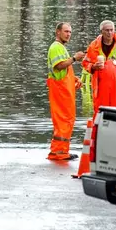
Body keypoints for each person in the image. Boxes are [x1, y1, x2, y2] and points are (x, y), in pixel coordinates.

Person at [47, 23, 85, 161]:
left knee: (67, 120)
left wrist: (74, 78)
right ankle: (58, 152)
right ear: (58, 32)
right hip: (60, 93)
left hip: (64, 92)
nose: (68, 34)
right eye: (66, 31)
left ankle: (62, 151)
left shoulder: (61, 48)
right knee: (63, 121)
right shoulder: (56, 47)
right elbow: (58, 66)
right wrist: (75, 58)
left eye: (70, 32)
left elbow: (63, 70)